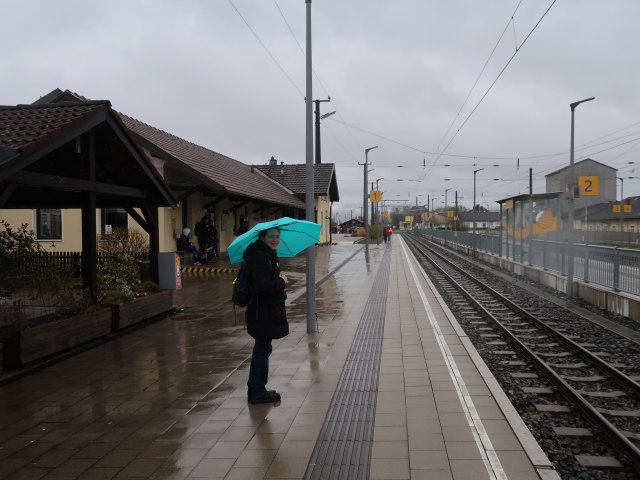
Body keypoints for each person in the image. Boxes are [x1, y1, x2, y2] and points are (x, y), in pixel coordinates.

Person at [244, 227, 289, 404]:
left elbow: (266, 281)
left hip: (264, 311)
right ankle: (256, 392)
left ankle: (258, 389)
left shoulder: (267, 255)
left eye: (277, 236)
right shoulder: (259, 257)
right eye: (271, 236)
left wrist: (277, 277)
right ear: (262, 237)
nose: (275, 239)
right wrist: (281, 281)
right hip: (261, 313)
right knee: (262, 350)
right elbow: (263, 287)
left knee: (263, 349)